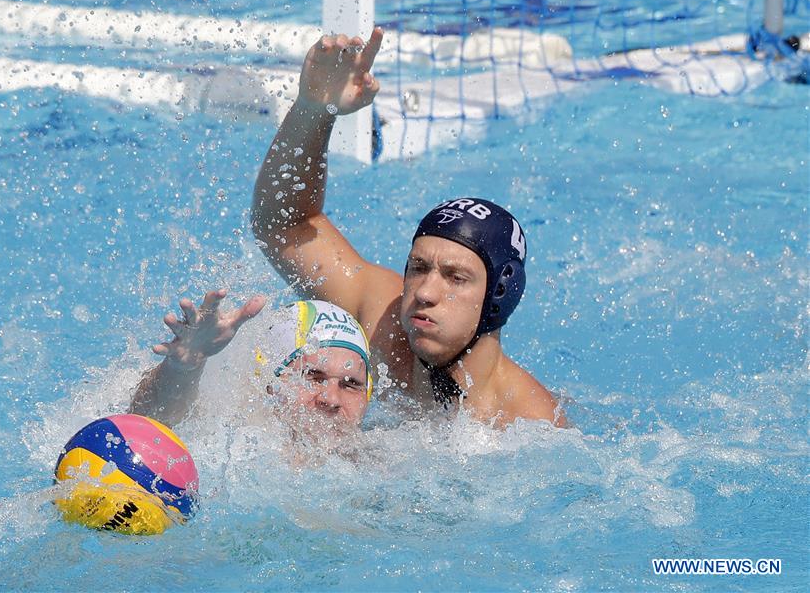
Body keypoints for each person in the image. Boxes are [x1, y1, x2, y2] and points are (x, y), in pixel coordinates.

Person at [250, 28, 565, 428]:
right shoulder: (384, 320)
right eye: (418, 267)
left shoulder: (528, 425)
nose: (424, 293)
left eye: (456, 277)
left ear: (499, 296)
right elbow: (284, 224)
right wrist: (314, 109)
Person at [129, 290, 373, 429]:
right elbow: (150, 424)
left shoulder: (379, 465)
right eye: (312, 376)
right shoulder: (232, 436)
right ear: (268, 384)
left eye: (350, 384)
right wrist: (184, 369)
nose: (331, 399)